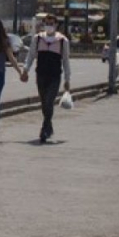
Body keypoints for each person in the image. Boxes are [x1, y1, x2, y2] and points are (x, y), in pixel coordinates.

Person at [21, 14, 72, 143]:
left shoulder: (62, 41)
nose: (49, 25)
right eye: (47, 23)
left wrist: (67, 79)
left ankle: (44, 128)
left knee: (49, 101)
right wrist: (25, 70)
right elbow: (31, 55)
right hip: (41, 75)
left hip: (54, 76)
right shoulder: (38, 39)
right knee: (44, 103)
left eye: (52, 23)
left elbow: (65, 60)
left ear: (56, 25)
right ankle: (49, 127)